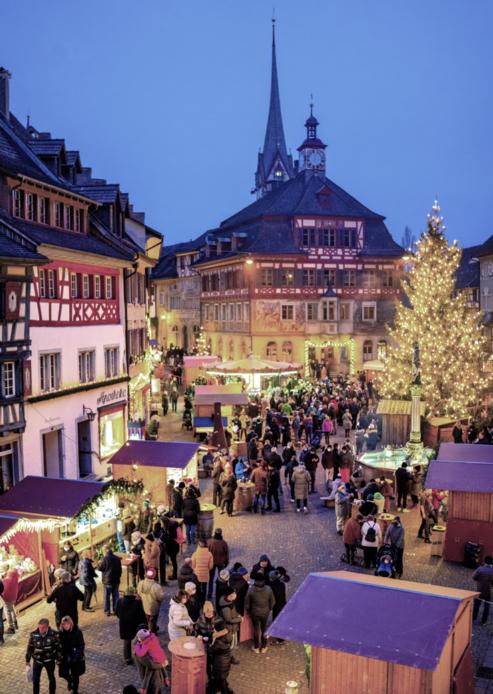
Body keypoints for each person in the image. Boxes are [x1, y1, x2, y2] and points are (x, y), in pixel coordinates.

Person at [26, 618, 62, 694]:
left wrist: (58, 659)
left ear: (47, 627)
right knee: (35, 680)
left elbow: (58, 648)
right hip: (37, 661)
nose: (40, 630)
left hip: (49, 661)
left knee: (51, 678)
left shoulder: (54, 634)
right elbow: (30, 648)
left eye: (42, 628)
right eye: (39, 627)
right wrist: (27, 660)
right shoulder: (33, 634)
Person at [115, 585, 147, 665]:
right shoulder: (137, 603)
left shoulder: (119, 601)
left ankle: (127, 658)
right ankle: (140, 655)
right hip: (135, 625)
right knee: (139, 641)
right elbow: (141, 615)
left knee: (127, 641)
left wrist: (122, 618)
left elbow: (116, 612)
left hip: (124, 625)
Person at [133, 628, 168, 694]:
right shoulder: (150, 641)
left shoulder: (147, 644)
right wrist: (163, 664)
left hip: (156, 676)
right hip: (152, 680)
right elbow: (151, 665)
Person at [245, 577, 275, 654]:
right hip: (265, 612)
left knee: (256, 629)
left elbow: (247, 604)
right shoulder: (268, 589)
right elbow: (273, 602)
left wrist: (248, 611)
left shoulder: (251, 590)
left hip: (254, 613)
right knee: (264, 629)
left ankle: (256, 647)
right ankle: (264, 647)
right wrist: (269, 609)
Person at [58, 615, 85, 694]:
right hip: (64, 656)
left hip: (75, 656)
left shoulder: (77, 632)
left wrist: (77, 655)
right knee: (63, 674)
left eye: (68, 624)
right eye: (64, 624)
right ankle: (69, 680)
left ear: (71, 624)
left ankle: (75, 691)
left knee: (75, 675)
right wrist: (58, 656)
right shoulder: (60, 634)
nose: (66, 626)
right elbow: (57, 646)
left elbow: (81, 645)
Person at [137, 567, 166, 634]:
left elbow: (139, 593)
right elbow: (161, 597)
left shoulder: (141, 583)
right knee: (153, 620)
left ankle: (152, 628)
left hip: (145, 606)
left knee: (148, 619)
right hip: (154, 608)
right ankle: (152, 633)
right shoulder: (156, 586)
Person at [97, 544, 122, 616]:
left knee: (107, 597)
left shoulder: (104, 559)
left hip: (107, 581)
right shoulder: (117, 558)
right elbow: (120, 570)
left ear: (105, 550)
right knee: (116, 596)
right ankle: (116, 610)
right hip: (116, 580)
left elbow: (100, 568)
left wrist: (99, 563)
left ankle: (107, 611)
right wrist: (118, 577)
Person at [210, 619, 233, 694]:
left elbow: (211, 650)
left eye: (215, 628)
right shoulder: (228, 636)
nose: (214, 630)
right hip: (226, 663)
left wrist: (209, 645)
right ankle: (226, 689)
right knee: (223, 679)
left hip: (219, 665)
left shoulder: (218, 642)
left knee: (221, 680)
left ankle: (225, 691)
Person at [219, 589, 242, 663]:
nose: (235, 595)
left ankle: (229, 657)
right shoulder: (226, 607)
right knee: (231, 645)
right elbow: (229, 619)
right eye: (234, 593)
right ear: (230, 595)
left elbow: (233, 613)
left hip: (232, 628)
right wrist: (240, 619)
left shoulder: (229, 602)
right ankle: (229, 658)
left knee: (232, 644)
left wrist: (238, 615)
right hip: (230, 628)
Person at [207, 528, 229, 600]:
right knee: (222, 578)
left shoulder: (209, 542)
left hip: (212, 563)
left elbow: (207, 552)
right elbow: (226, 554)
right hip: (220, 563)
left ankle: (209, 594)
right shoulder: (223, 543)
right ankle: (221, 592)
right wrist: (226, 562)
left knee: (211, 579)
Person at [472, 556, 493, 625]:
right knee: (486, 607)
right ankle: (484, 621)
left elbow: (474, 577)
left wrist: (479, 580)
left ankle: (473, 617)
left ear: (484, 561)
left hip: (479, 589)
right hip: (488, 591)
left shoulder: (480, 569)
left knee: (476, 605)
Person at [0, 562, 19, 633]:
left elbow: (4, 588)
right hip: (14, 595)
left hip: (7, 597)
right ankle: (15, 622)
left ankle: (11, 627)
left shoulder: (6, 579)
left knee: (7, 611)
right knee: (12, 609)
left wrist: (2, 579)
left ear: (4, 569)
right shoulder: (14, 574)